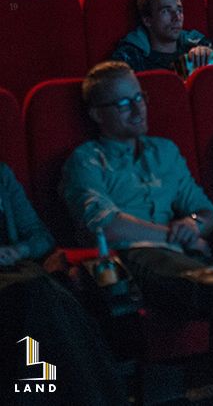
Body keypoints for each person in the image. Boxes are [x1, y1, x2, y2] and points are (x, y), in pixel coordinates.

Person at [62, 60, 213, 406]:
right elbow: (104, 226)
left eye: (139, 98)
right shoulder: (86, 160)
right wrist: (173, 235)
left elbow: (205, 211)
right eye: (123, 103)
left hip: (187, 259)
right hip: (137, 263)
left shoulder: (165, 151)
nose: (137, 109)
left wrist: (192, 225)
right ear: (98, 115)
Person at [0, 161, 128, 406]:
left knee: (51, 297)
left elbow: (40, 236)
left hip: (20, 274)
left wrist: (18, 250)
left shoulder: (2, 174)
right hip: (17, 289)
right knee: (38, 298)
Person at [112, 0, 213, 74]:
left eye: (179, 10)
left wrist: (211, 55)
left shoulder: (197, 46)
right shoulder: (131, 57)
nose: (176, 17)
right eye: (165, 11)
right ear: (147, 20)